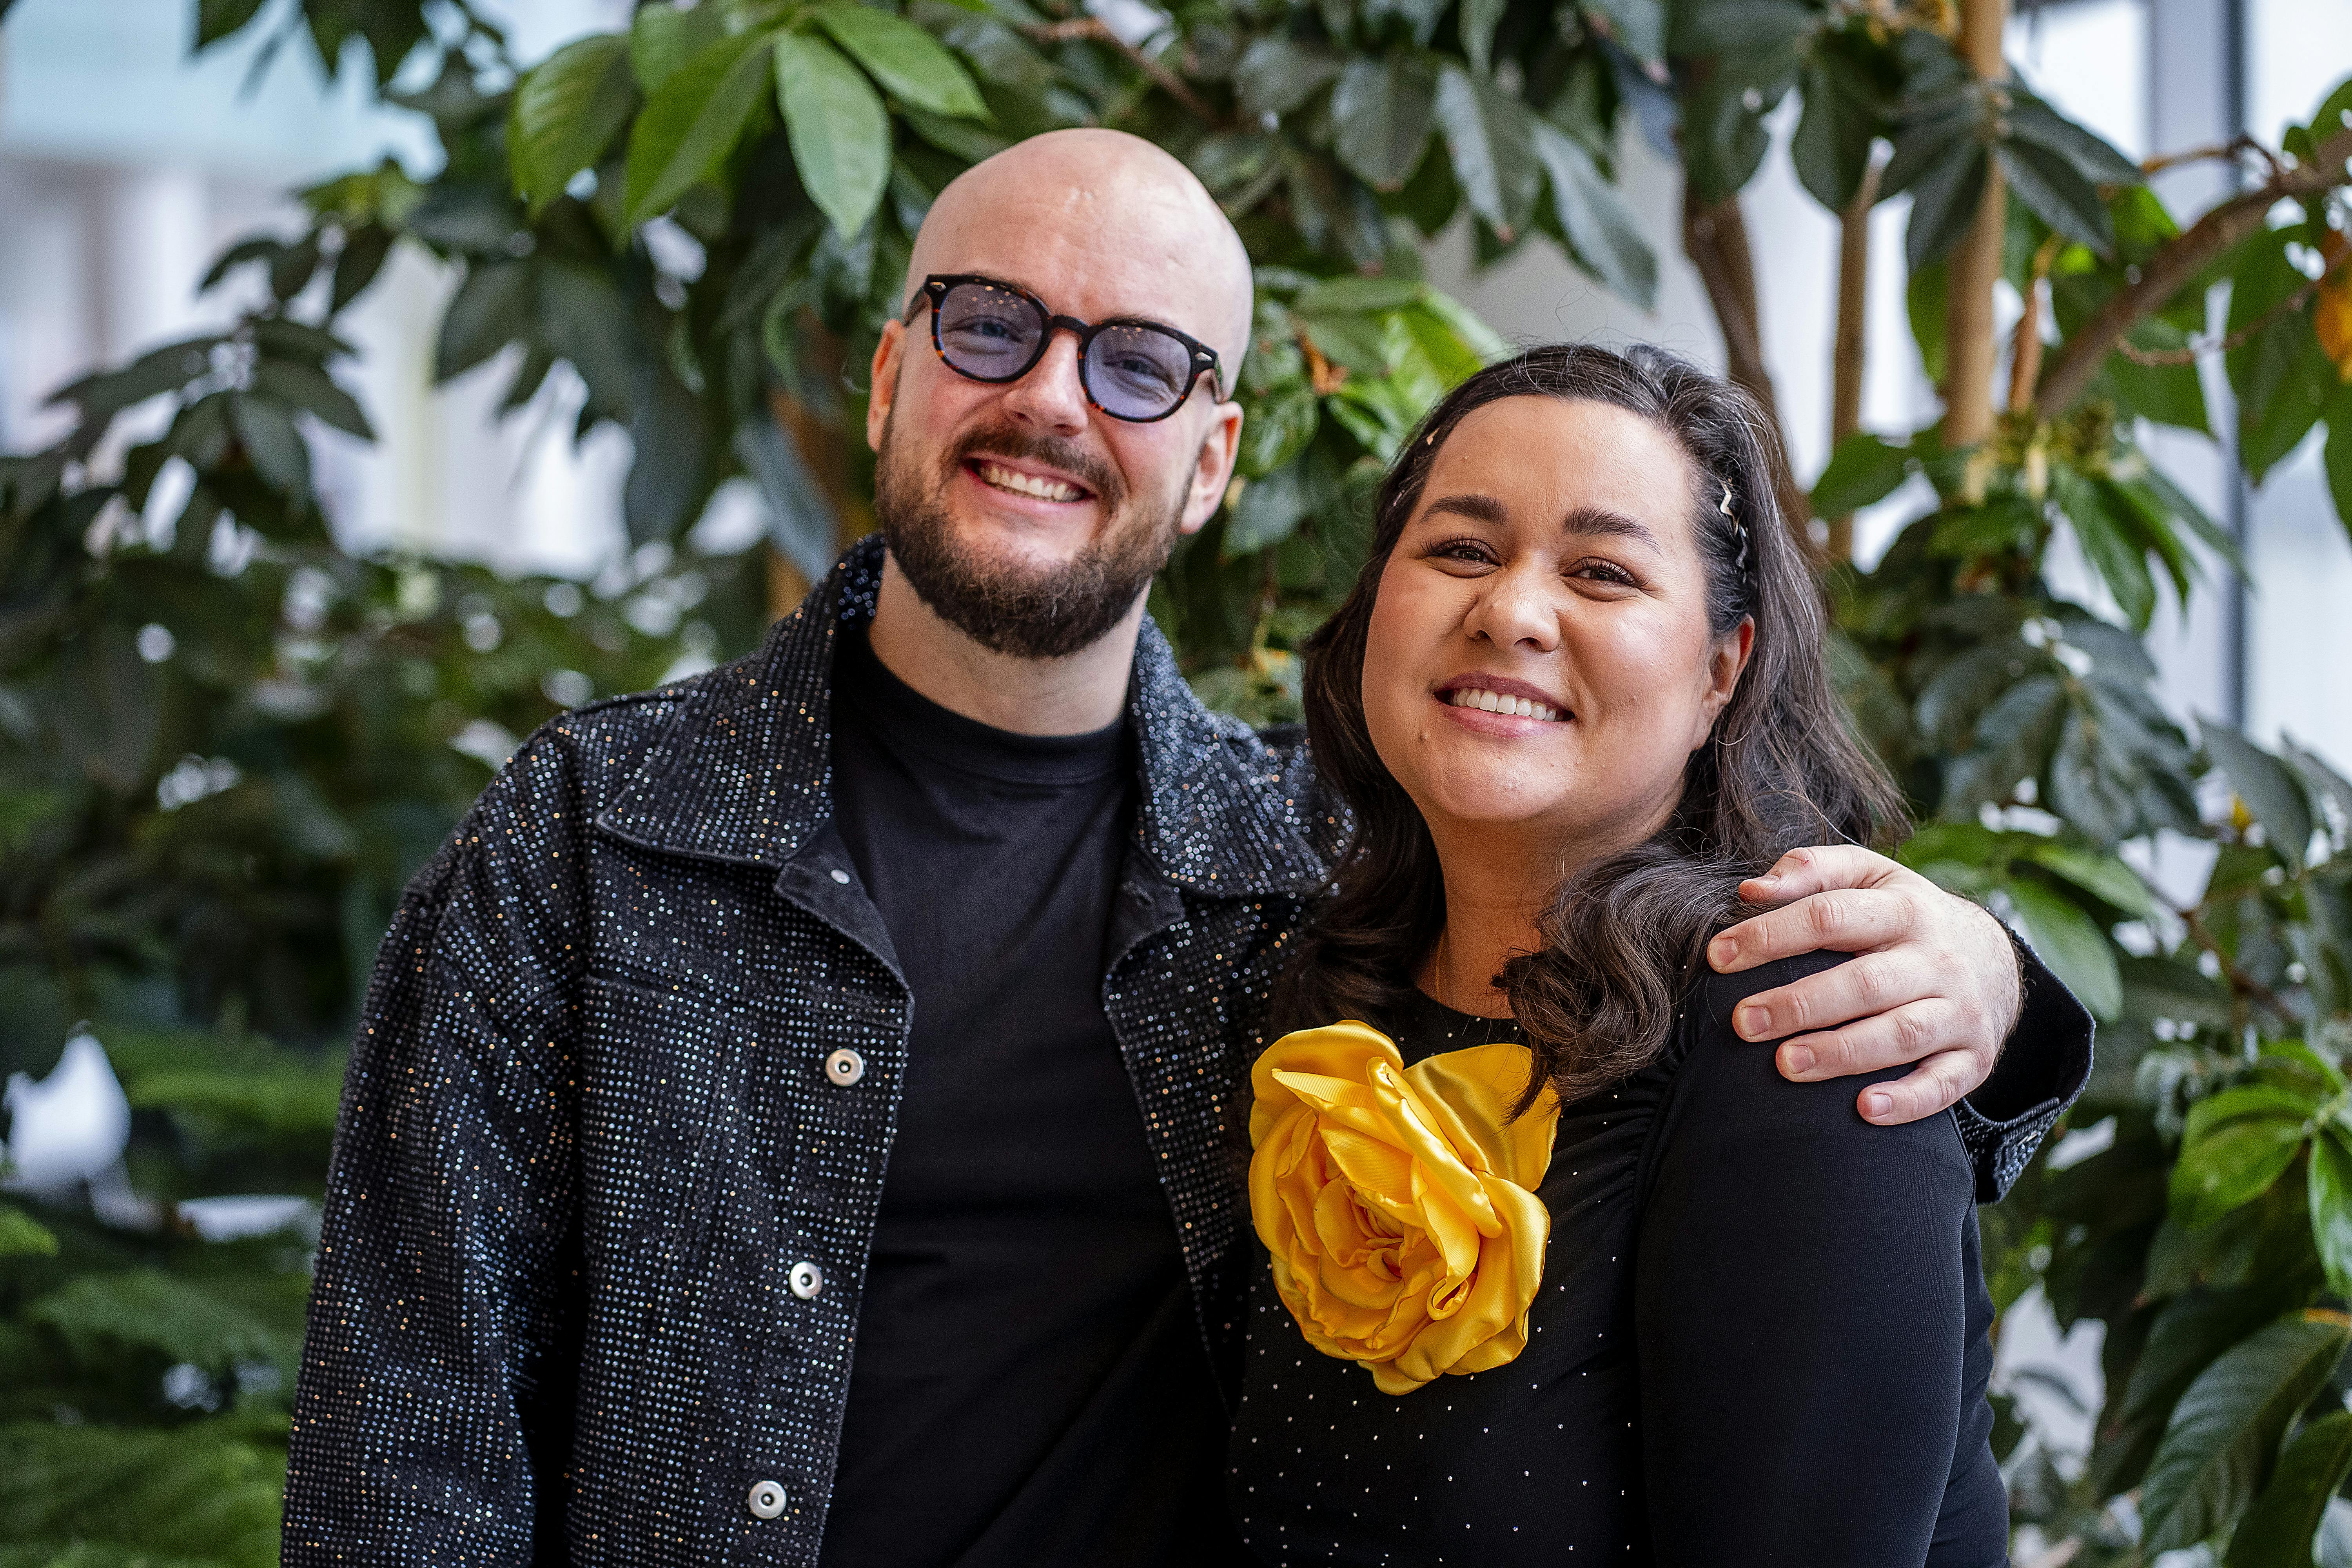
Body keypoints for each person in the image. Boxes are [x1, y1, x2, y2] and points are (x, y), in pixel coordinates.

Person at [279, 131, 2087, 1568]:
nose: (1054, 400)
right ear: (895, 371)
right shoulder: (596, 838)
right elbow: (402, 1445)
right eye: (991, 325)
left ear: (1214, 459)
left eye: (1137, 364)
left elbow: (1755, 1144)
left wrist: (1998, 988)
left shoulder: (1302, 879)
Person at [1227, 343, 2084, 1565]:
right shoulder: (1313, 967)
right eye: (1461, 549)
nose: (1512, 611)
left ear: (1719, 675)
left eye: (1603, 571)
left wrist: (2000, 972)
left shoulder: (1802, 1026)